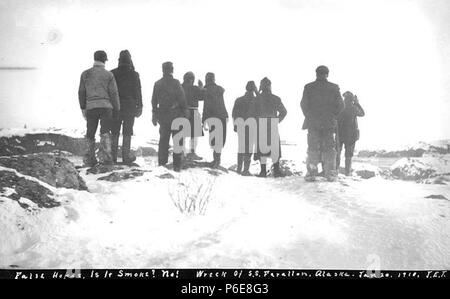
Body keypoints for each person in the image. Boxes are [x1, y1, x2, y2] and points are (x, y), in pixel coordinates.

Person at [300, 65, 344, 182]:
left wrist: (309, 116)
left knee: (313, 148)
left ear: (316, 74)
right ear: (327, 74)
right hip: (328, 124)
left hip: (313, 123)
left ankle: (311, 173)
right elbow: (341, 105)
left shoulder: (309, 87)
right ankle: (330, 174)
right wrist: (332, 116)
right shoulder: (334, 88)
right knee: (329, 149)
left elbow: (303, 104)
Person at [78, 50, 120, 167]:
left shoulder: (85, 74)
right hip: (106, 107)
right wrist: (116, 109)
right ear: (104, 60)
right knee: (105, 132)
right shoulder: (109, 75)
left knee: (90, 133)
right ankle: (105, 159)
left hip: (90, 107)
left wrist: (83, 107)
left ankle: (89, 159)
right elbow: (114, 94)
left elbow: (81, 92)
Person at [151, 62, 188, 172]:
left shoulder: (158, 83)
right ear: (172, 69)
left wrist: (154, 114)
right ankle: (177, 166)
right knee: (177, 141)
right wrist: (184, 112)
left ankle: (162, 165)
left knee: (163, 141)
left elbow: (154, 101)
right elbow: (182, 100)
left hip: (163, 115)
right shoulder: (176, 83)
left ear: (163, 70)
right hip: (176, 115)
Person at [110, 50, 143, 165]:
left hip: (115, 107)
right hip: (130, 107)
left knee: (114, 132)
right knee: (127, 132)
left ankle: (112, 157)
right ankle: (126, 157)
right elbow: (138, 91)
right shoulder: (134, 74)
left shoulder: (112, 73)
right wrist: (140, 106)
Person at [255, 77, 287, 178]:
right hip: (272, 123)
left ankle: (263, 171)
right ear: (270, 86)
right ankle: (276, 171)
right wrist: (277, 120)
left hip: (261, 124)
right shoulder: (276, 98)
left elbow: (252, 113)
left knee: (261, 148)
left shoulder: (257, 99)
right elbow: (284, 112)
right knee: (275, 148)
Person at [232, 81, 258, 175]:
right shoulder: (256, 100)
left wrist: (235, 126)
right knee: (249, 148)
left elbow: (234, 114)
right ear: (254, 89)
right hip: (252, 126)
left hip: (241, 126)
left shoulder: (239, 100)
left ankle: (239, 169)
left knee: (241, 147)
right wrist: (257, 91)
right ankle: (246, 170)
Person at [202, 72, 228, 168]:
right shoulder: (219, 89)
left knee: (214, 139)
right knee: (220, 140)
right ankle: (217, 160)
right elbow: (222, 89)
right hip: (222, 116)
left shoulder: (206, 90)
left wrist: (203, 120)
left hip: (212, 116)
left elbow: (206, 106)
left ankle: (216, 161)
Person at [336, 91, 365, 176]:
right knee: (348, 155)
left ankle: (335, 171)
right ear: (352, 99)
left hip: (340, 134)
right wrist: (357, 103)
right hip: (351, 136)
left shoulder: (340, 107)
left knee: (338, 153)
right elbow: (362, 113)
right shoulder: (353, 108)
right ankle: (347, 173)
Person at [181, 72, 205, 160]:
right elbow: (202, 97)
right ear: (192, 79)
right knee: (194, 134)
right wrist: (201, 87)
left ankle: (182, 153)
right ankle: (192, 152)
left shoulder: (180, 86)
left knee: (182, 134)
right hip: (194, 111)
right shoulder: (195, 88)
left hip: (182, 111)